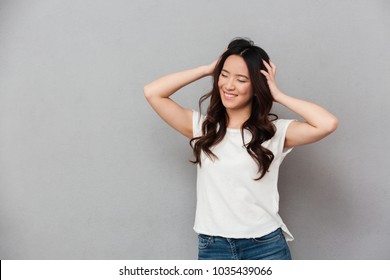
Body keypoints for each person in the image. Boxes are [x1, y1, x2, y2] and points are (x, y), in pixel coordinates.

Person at [143, 38, 338, 260]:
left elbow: (327, 123)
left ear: (256, 87)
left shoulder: (273, 133)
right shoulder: (203, 128)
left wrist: (278, 95)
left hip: (265, 247)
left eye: (241, 79)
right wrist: (207, 69)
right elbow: (152, 92)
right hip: (213, 246)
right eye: (224, 75)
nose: (229, 85)